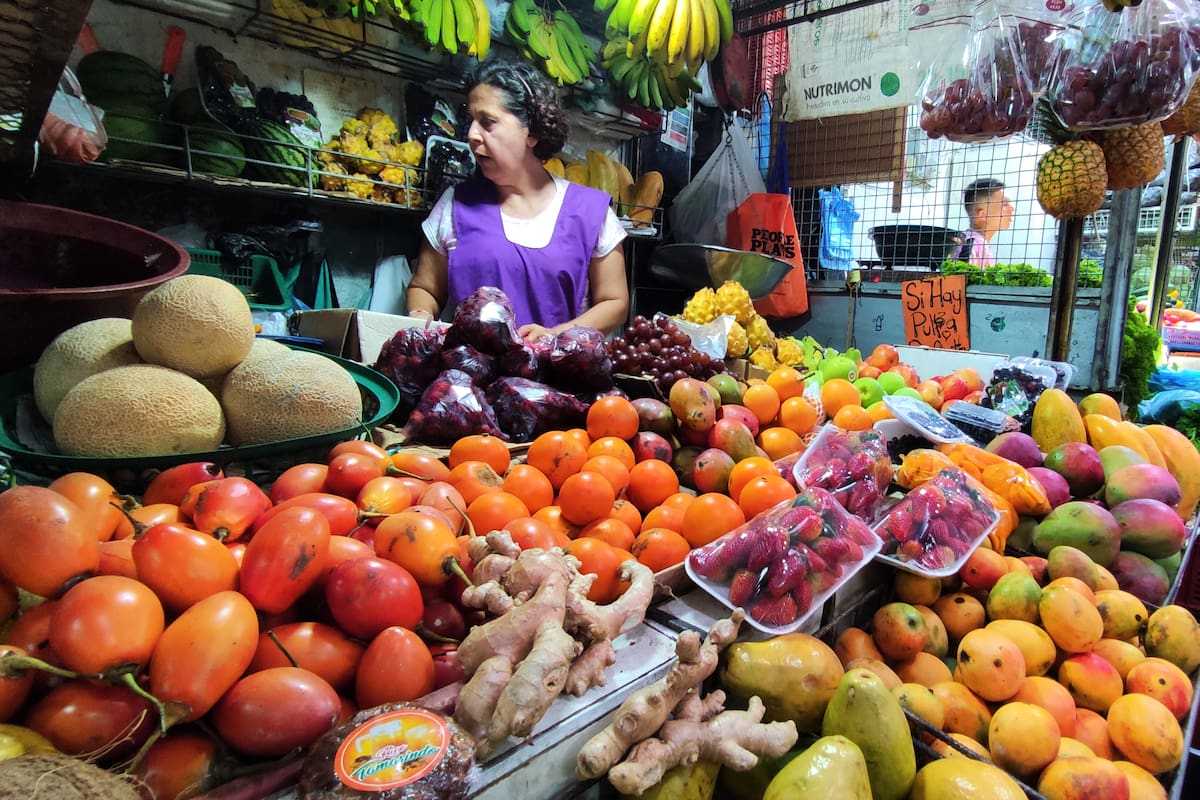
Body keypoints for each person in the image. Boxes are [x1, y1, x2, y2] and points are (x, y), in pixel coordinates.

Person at [406, 60, 629, 341]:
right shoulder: (455, 205)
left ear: (531, 133)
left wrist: (554, 335)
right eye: (471, 120)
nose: (472, 134)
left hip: (557, 378)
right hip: (469, 379)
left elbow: (615, 302)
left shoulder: (590, 212)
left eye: (487, 123)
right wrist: (420, 316)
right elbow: (425, 288)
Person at [952, 178, 1015, 268]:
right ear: (983, 215)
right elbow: (959, 279)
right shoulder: (972, 244)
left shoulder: (977, 242)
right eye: (1005, 204)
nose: (1012, 208)